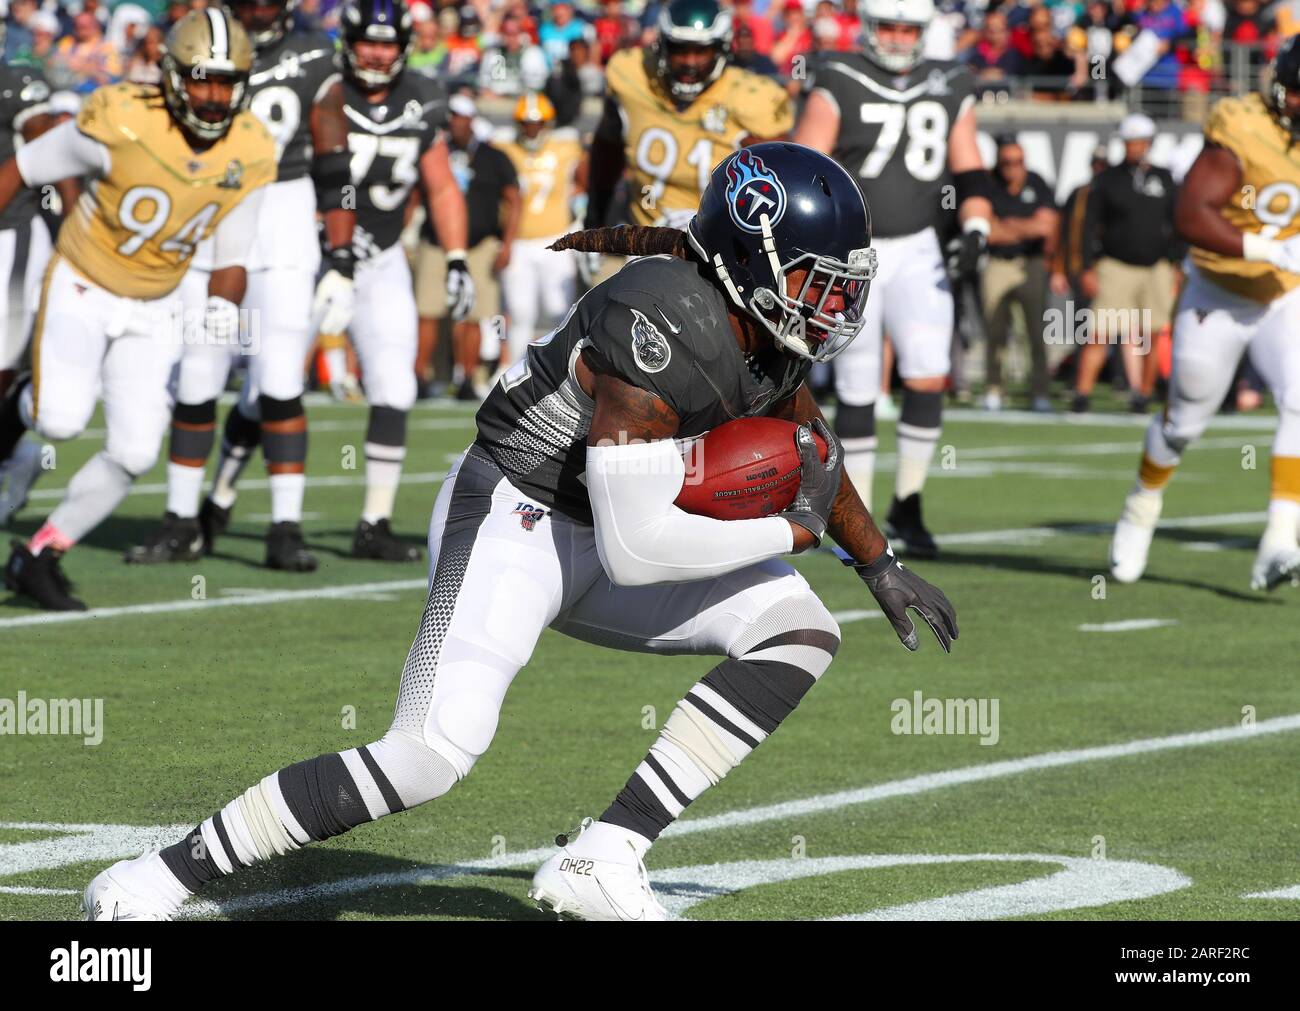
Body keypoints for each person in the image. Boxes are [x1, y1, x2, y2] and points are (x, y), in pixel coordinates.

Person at [81, 142, 957, 923]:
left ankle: (603, 855)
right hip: (518, 514)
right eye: (814, 278)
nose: (834, 300)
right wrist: (797, 534)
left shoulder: (758, 327)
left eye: (842, 280)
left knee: (799, 632)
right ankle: (156, 876)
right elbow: (638, 548)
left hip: (609, 521)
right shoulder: (660, 322)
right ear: (747, 259)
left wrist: (875, 559)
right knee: (426, 756)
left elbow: (809, 444)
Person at [0, 9, 276, 611]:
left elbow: (232, 255)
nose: (212, 96)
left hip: (157, 301)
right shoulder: (120, 117)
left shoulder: (252, 148)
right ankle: (15, 404)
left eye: (225, 82)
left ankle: (38, 554)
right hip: (84, 280)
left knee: (132, 453)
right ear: (173, 75)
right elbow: (23, 169)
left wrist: (223, 310)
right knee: (60, 422)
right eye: (200, 79)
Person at [125, 0, 357, 572]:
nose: (258, 7)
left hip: (282, 212)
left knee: (279, 379)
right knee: (198, 373)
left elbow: (334, 161)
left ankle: (284, 527)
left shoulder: (310, 53)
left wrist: (343, 256)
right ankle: (181, 521)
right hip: (208, 208)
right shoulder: (195, 36)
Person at [794, 0, 994, 557]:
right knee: (858, 385)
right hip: (854, 249)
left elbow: (969, 162)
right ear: (870, 27)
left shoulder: (949, 81)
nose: (902, 38)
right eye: (892, 26)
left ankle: (908, 504)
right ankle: (852, 521)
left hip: (921, 243)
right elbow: (807, 161)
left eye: (911, 28)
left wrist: (976, 225)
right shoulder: (839, 77)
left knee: (929, 374)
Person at [1110, 37, 1300, 593]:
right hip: (1219, 291)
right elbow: (1191, 214)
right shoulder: (1243, 126)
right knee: (1185, 418)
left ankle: (1281, 535)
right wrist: (1268, 249)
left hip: (1283, 294)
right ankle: (1142, 506)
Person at [585, 0, 793, 238]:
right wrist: (594, 220)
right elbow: (606, 152)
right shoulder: (633, 75)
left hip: (724, 247)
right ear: (662, 46)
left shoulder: (752, 97)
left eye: (701, 50)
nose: (690, 61)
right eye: (679, 49)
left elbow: (781, 185)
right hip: (646, 241)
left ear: (722, 49)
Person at [1071, 113, 1180, 414]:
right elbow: (1088, 226)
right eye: (1130, 142)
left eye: (1139, 142)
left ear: (1149, 143)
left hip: (1155, 266)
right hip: (1115, 265)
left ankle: (1143, 394)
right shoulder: (1108, 180)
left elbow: (1177, 223)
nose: (1134, 148)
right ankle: (1081, 394)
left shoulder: (1164, 178)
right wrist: (1087, 266)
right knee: (1099, 332)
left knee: (1152, 334)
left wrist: (1176, 263)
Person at [414, 93, 517, 401]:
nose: (452, 123)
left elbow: (514, 200)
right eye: (450, 118)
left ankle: (468, 377)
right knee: (427, 311)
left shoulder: (493, 156)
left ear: (470, 119)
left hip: (479, 245)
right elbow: (415, 196)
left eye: (458, 117)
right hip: (436, 242)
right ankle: (419, 375)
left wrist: (507, 244)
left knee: (474, 314)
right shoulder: (435, 151)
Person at [498, 93, 585, 368]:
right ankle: (513, 371)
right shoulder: (504, 148)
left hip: (556, 240)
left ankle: (562, 372)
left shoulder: (567, 147)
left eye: (537, 123)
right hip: (520, 243)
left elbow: (590, 170)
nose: (531, 129)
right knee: (520, 312)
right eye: (526, 123)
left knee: (559, 310)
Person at [982, 135, 1058, 411]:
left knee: (1035, 331)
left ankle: (1039, 391)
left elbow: (1047, 227)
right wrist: (1027, 227)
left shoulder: (1037, 183)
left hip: (1031, 263)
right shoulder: (989, 183)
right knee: (995, 329)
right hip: (998, 264)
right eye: (1007, 162)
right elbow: (988, 231)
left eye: (1018, 162)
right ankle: (993, 388)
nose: (1013, 168)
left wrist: (1009, 226)